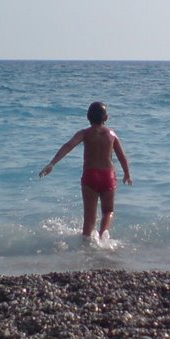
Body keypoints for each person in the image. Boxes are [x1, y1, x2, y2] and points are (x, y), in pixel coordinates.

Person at [40, 101, 132, 239]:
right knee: (108, 211)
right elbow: (122, 156)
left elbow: (69, 146)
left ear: (87, 117)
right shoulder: (112, 134)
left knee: (89, 218)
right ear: (106, 118)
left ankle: (86, 247)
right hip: (108, 176)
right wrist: (127, 174)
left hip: (90, 176)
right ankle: (103, 234)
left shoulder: (84, 133)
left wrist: (52, 163)